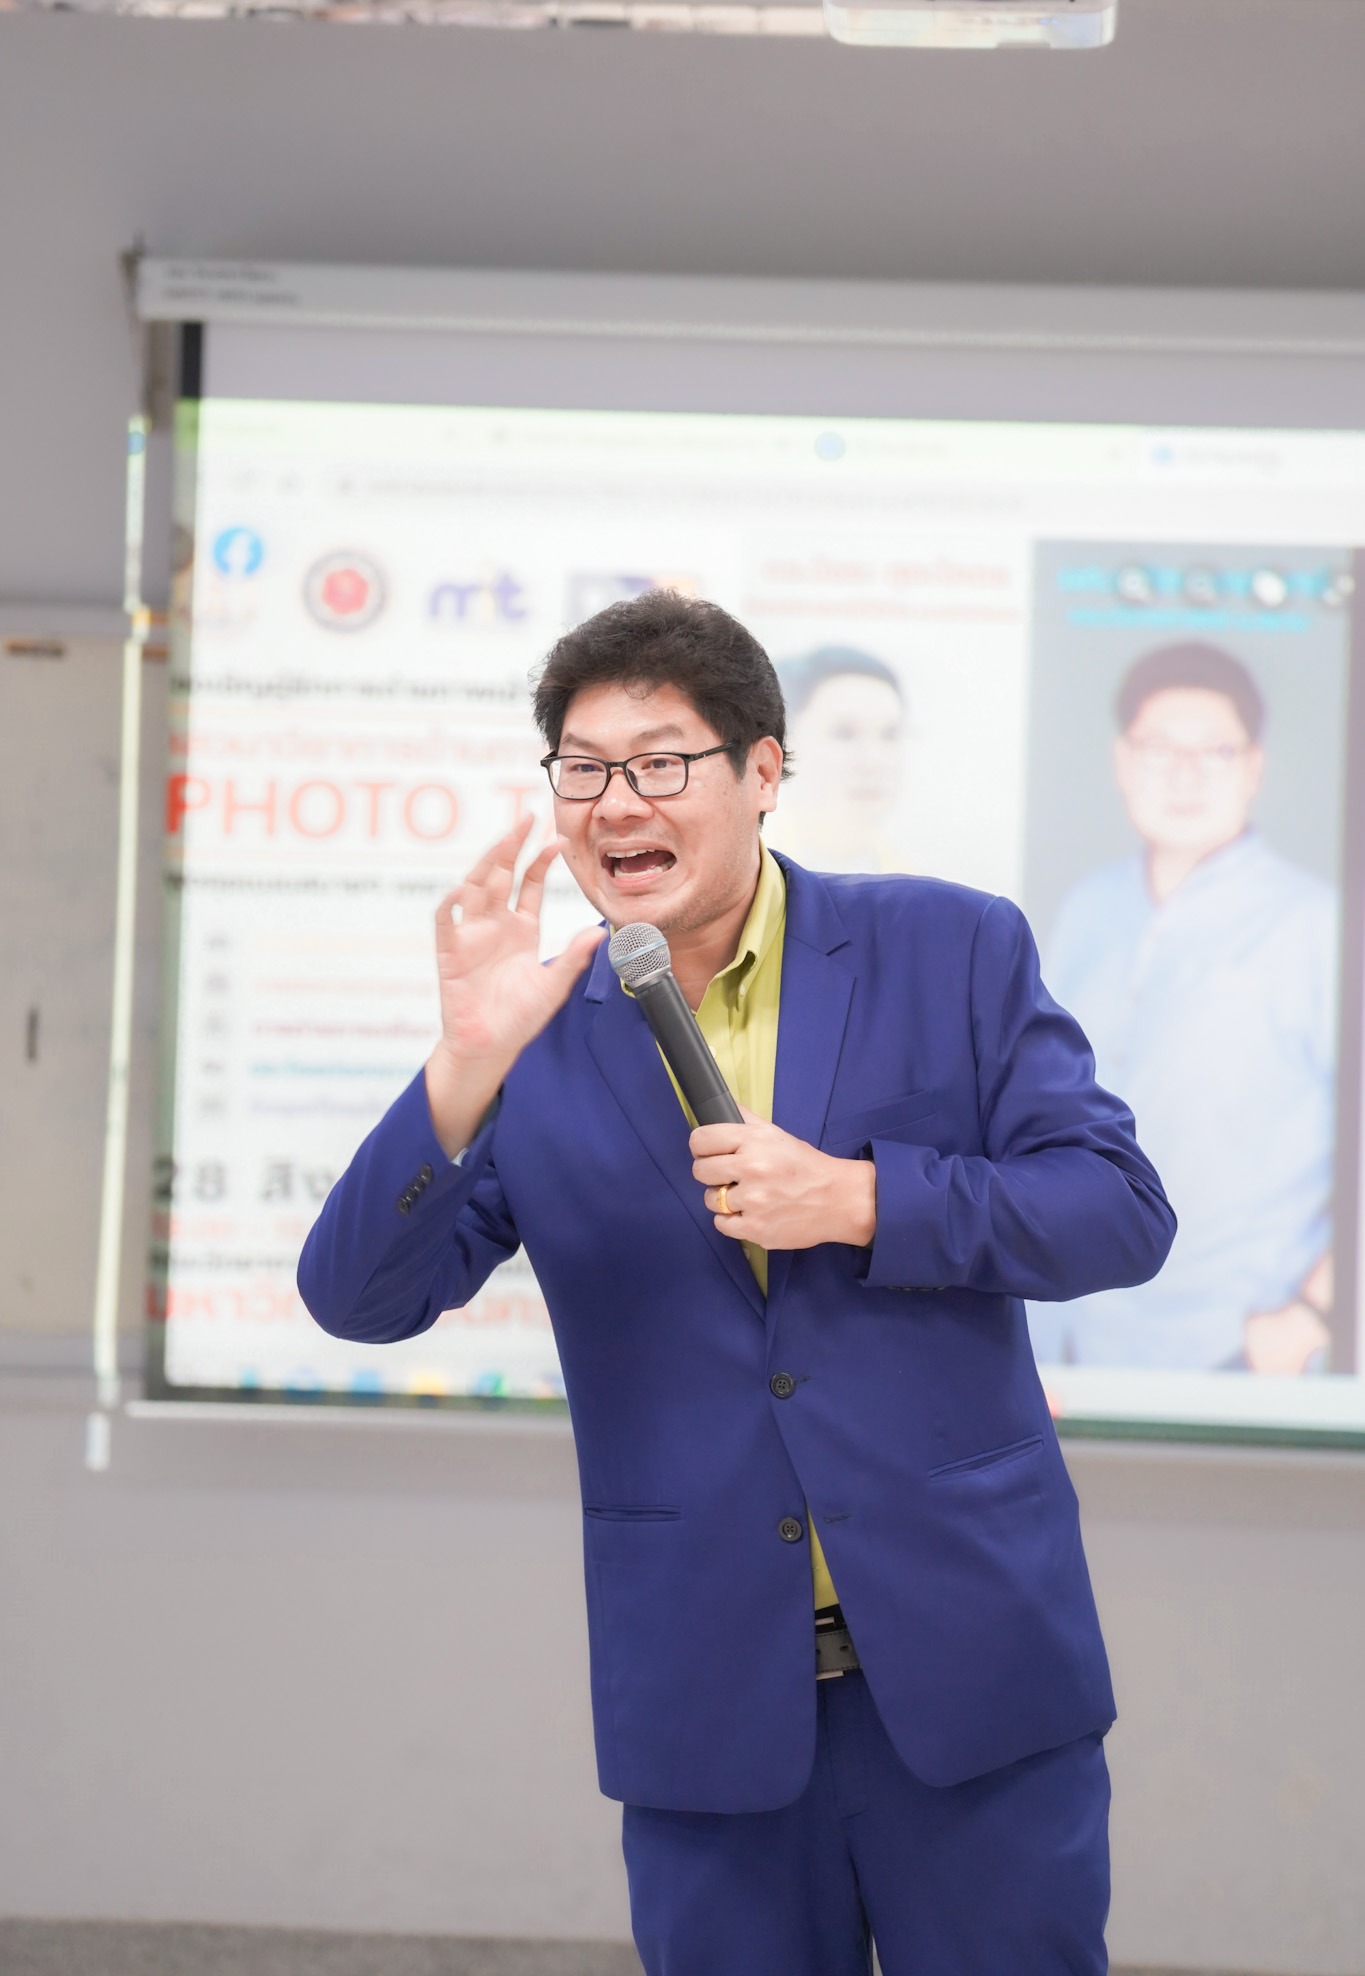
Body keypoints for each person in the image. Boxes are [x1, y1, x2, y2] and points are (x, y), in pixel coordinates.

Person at [298, 592, 1174, 1976]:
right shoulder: (535, 1034)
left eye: (659, 762)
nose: (615, 803)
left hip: (972, 1668)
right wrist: (463, 1062)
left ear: (764, 770)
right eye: (582, 769)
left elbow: (1118, 1212)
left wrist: (863, 1198)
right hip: (707, 1700)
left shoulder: (945, 945)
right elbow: (358, 1297)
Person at [1031, 642, 1336, 1374]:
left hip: (1231, 1349)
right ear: (1121, 761)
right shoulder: (1088, 908)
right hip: (1076, 1335)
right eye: (1159, 748)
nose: (1184, 774)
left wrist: (1316, 1312)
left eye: (1216, 752)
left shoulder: (1318, 925)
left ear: (1254, 767)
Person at [769, 645, 908, 872]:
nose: (872, 761)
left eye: (889, 735)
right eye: (844, 734)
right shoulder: (743, 872)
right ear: (782, 747)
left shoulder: (922, 881)